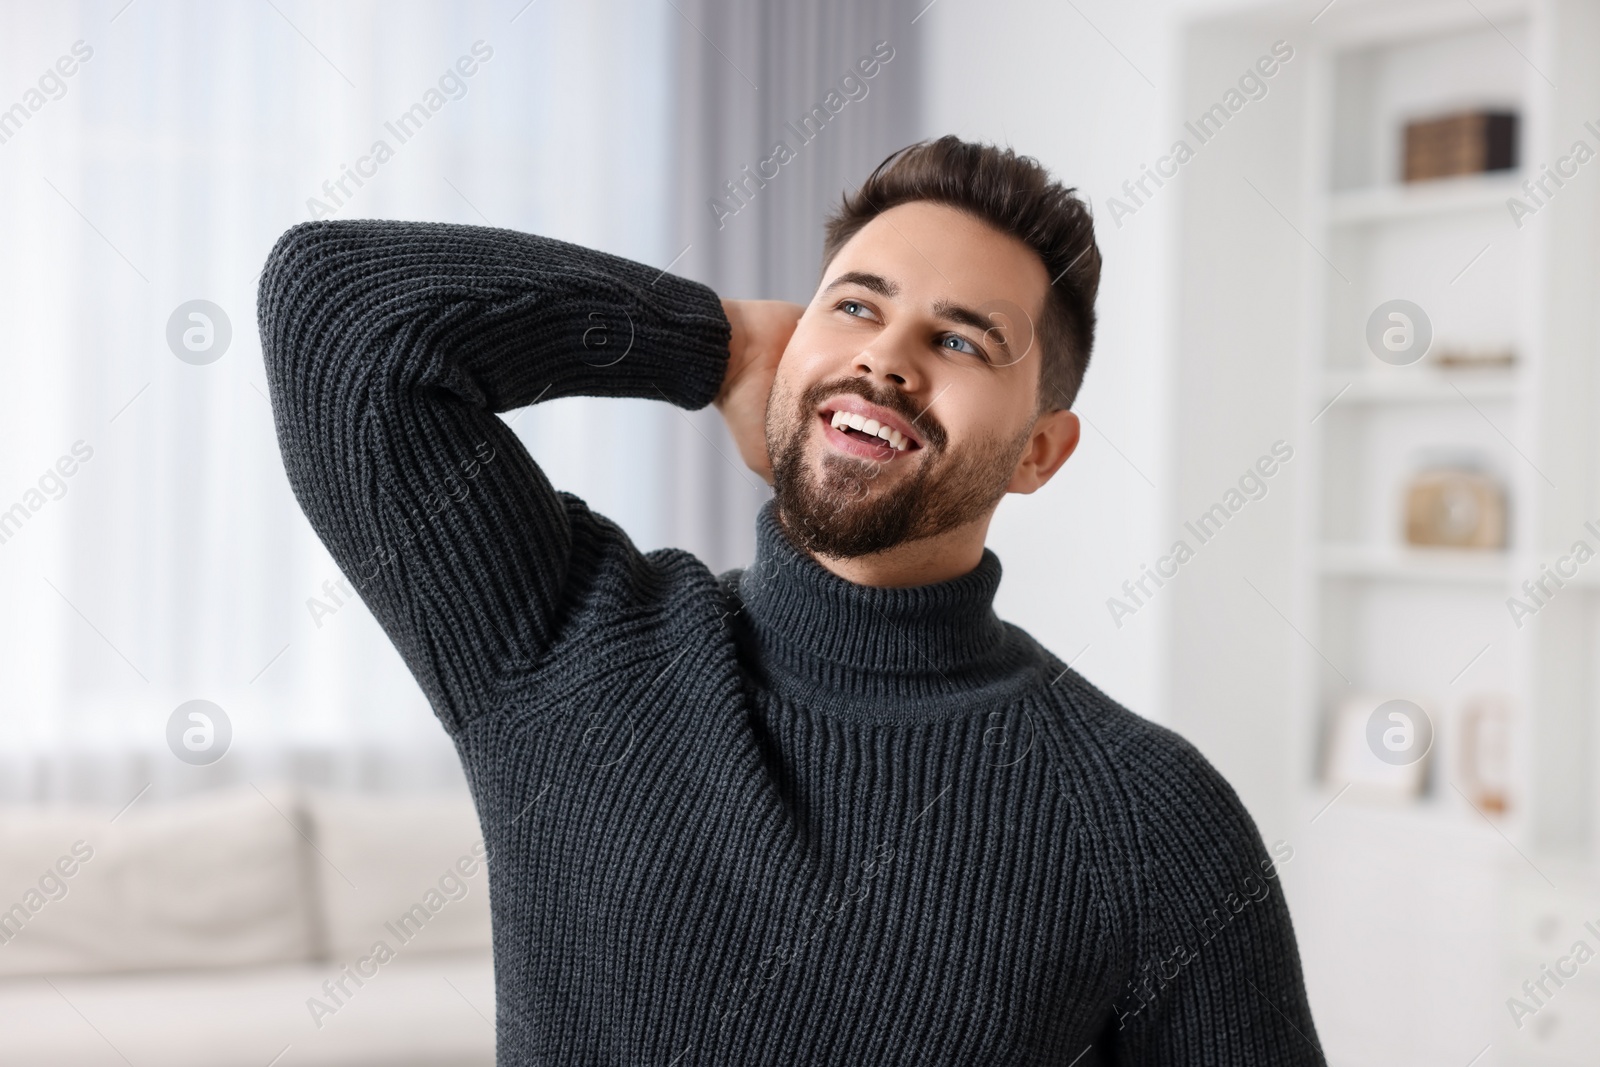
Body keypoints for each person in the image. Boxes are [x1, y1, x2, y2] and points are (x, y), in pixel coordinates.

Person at [258, 135, 1325, 1065]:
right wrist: (709, 343)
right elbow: (336, 312)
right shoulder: (564, 643)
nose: (885, 356)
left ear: (1037, 452)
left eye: (959, 340)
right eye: (853, 306)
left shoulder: (1147, 816)